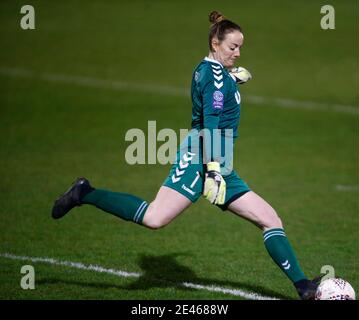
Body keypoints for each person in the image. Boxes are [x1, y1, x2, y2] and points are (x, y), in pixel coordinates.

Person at [52, 11, 320, 300]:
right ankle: (84, 192)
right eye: (233, 47)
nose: (239, 53)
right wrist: (213, 170)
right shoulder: (214, 78)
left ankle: (303, 287)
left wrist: (231, 80)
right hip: (201, 159)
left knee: (270, 219)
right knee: (155, 218)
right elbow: (210, 125)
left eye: (241, 47)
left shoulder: (213, 72)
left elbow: (216, 84)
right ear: (215, 43)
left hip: (220, 162)